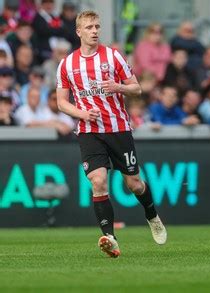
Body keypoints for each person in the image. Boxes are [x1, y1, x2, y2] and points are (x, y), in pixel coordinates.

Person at [56, 10, 167, 258]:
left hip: (118, 128)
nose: (94, 31)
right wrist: (82, 114)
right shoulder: (67, 64)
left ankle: (151, 214)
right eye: (89, 27)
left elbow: (137, 88)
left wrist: (118, 87)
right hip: (89, 131)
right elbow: (62, 102)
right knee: (98, 181)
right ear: (79, 31)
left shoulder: (113, 55)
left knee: (134, 184)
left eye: (97, 26)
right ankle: (110, 239)